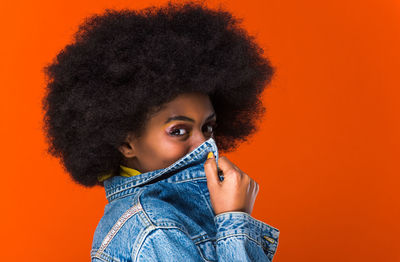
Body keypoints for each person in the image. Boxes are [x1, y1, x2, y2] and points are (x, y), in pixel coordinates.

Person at [41, 1, 280, 261]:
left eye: (207, 127)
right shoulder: (155, 228)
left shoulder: (169, 215)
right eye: (178, 130)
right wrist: (234, 220)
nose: (204, 144)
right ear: (126, 143)